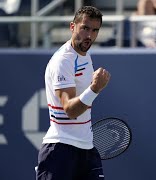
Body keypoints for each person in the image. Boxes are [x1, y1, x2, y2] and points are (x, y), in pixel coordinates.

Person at [35, 6, 111, 180]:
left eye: (95, 30)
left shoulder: (85, 54)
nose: (89, 35)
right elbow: (70, 110)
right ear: (72, 27)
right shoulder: (63, 61)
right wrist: (95, 88)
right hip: (60, 150)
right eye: (85, 28)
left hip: (87, 149)